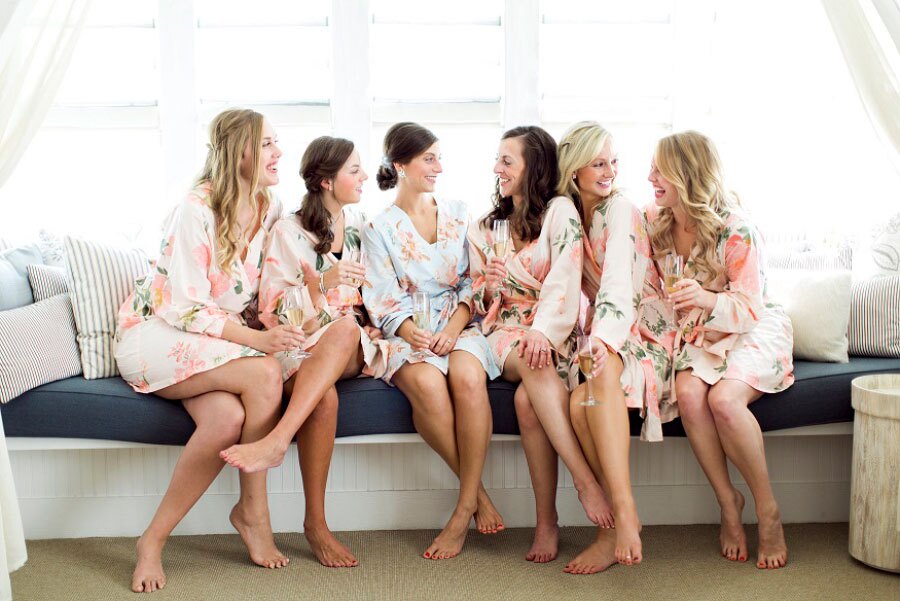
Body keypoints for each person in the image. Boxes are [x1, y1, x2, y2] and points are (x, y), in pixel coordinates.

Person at [114, 108, 297, 593]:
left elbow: (267, 284)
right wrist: (257, 341)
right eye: (267, 145)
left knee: (224, 421)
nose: (279, 153)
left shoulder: (270, 205)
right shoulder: (195, 209)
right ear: (239, 151)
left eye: (277, 143)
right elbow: (185, 308)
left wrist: (279, 317)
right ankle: (256, 513)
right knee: (263, 374)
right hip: (157, 332)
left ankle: (151, 539)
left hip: (212, 341)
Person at [220, 135, 388, 567]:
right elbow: (274, 311)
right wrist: (322, 286)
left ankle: (276, 440)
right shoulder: (288, 231)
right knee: (323, 398)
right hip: (299, 343)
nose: (364, 176)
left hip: (351, 341)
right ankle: (316, 525)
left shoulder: (364, 227)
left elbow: (378, 297)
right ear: (327, 182)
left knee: (347, 328)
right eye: (354, 169)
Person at [467, 125, 614, 566]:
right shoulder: (485, 225)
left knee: (529, 403)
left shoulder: (559, 212)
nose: (497, 168)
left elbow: (565, 280)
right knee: (532, 361)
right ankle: (585, 481)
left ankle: (546, 521)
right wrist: (489, 288)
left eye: (507, 160)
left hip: (552, 332)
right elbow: (477, 298)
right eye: (498, 160)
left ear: (533, 166)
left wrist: (543, 331)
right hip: (504, 332)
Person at [647, 130, 794, 569]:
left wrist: (707, 299)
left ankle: (768, 511)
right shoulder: (658, 219)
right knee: (690, 394)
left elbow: (750, 305)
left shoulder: (735, 227)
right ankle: (729, 504)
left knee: (725, 401)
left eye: (659, 170)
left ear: (686, 174)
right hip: (704, 328)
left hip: (752, 324)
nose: (650, 177)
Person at [362, 122, 503, 560]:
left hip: (460, 324)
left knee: (466, 376)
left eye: (439, 157)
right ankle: (475, 496)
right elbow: (382, 298)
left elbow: (472, 282)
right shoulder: (378, 228)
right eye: (429, 158)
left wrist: (453, 328)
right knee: (425, 383)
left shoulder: (460, 213)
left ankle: (461, 511)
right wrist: (413, 332)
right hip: (408, 329)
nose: (439, 167)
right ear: (400, 165)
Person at [558, 121, 677, 573]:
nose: (609, 171)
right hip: (605, 327)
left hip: (644, 325)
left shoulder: (621, 209)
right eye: (598, 163)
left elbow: (620, 288)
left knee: (600, 374)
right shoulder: (571, 215)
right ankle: (609, 531)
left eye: (613, 161)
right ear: (575, 172)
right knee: (575, 405)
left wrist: (602, 341)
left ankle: (623, 515)